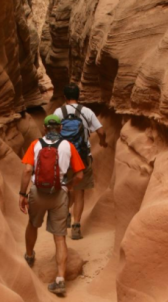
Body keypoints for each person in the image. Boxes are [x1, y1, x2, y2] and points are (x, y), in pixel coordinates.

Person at [19, 114, 85, 295]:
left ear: (45, 129)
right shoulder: (68, 146)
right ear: (61, 129)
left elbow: (27, 170)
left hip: (37, 193)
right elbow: (79, 175)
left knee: (32, 224)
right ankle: (60, 279)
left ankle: (30, 256)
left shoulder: (35, 144)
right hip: (60, 194)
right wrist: (68, 185)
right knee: (60, 237)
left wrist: (22, 193)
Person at [54, 83, 107, 240]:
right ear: (79, 96)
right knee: (79, 191)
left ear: (65, 97)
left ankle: (66, 214)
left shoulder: (59, 112)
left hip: (63, 156)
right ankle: (76, 226)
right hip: (82, 157)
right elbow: (101, 131)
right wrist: (103, 142)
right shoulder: (86, 111)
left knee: (66, 187)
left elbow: (50, 131)